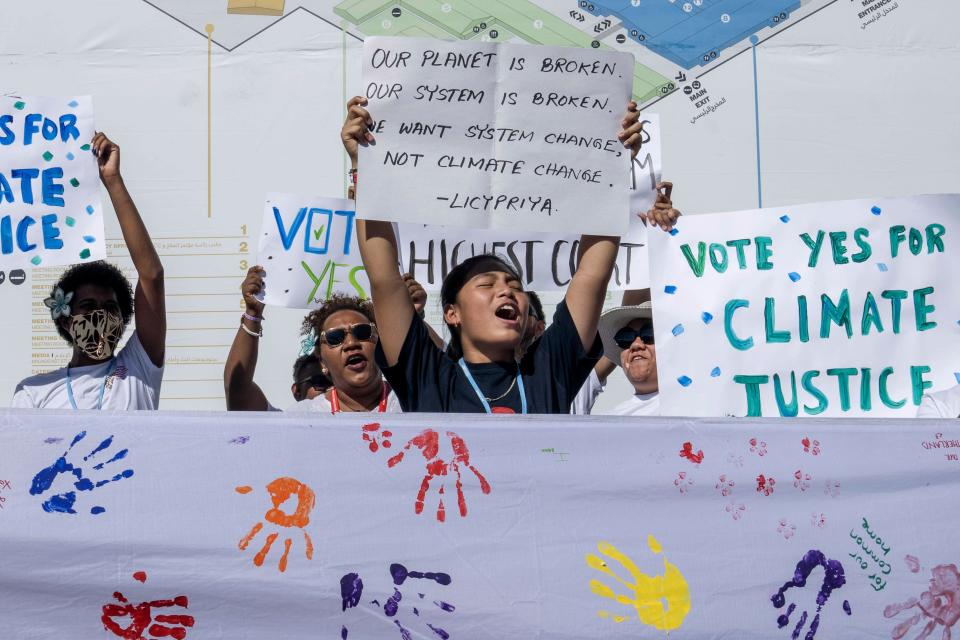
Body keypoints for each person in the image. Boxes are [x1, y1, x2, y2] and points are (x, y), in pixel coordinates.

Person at [344, 95, 649, 414]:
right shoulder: (427, 376)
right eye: (487, 284)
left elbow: (591, 274)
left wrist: (613, 161)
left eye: (515, 287)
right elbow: (384, 278)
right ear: (452, 314)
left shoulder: (549, 370)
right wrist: (364, 167)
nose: (507, 291)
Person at [12, 133, 165, 410]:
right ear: (65, 319)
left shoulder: (138, 368)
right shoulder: (34, 393)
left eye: (110, 307)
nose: (101, 314)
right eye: (88, 305)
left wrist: (113, 181)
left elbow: (152, 276)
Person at [224, 265, 407, 413]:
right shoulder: (304, 418)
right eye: (335, 337)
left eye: (362, 332)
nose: (351, 343)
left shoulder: (413, 403)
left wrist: (412, 317)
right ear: (323, 363)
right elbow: (238, 393)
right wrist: (252, 314)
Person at [596, 301, 660, 416]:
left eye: (649, 333)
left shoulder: (697, 404)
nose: (635, 345)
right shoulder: (608, 422)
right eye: (625, 337)